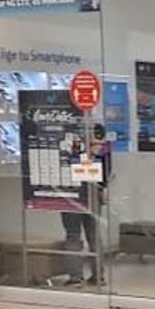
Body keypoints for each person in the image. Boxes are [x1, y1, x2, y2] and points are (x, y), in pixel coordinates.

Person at [61, 123, 111, 287]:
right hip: (93, 190)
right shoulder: (102, 143)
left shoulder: (68, 136)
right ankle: (99, 276)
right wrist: (102, 188)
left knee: (73, 235)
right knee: (94, 235)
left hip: (71, 190)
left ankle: (75, 278)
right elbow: (107, 169)